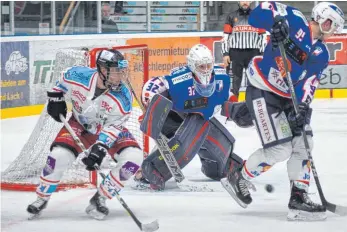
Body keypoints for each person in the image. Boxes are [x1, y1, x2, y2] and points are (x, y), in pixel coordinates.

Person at [221, 1, 345, 221]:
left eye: (335, 26)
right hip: (261, 88)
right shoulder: (294, 18)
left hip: (287, 97)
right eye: (329, 23)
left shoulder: (321, 53)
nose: (331, 29)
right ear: (318, 16)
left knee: (304, 141)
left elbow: (309, 83)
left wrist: (303, 107)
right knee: (280, 150)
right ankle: (237, 176)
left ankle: (299, 197)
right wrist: (276, 23)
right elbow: (259, 12)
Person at [26, 49, 143, 220]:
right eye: (117, 71)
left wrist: (100, 148)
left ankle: (100, 198)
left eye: (122, 70)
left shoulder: (124, 96)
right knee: (58, 156)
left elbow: (114, 126)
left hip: (107, 129)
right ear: (103, 70)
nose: (121, 75)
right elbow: (60, 82)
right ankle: (42, 198)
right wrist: (56, 98)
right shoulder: (78, 75)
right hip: (79, 125)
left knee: (134, 158)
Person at [133, 44, 250, 191]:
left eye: (209, 65)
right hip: (173, 118)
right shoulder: (180, 80)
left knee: (207, 129)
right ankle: (150, 170)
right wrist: (151, 103)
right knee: (188, 132)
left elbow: (224, 100)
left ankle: (223, 166)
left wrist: (237, 111)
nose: (206, 70)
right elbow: (155, 84)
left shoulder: (221, 77)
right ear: (192, 66)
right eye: (202, 66)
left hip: (199, 119)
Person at [222, 1, 266, 100]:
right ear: (238, 1)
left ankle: (253, 106)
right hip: (235, 53)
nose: (245, 2)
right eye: (242, 0)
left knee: (255, 81)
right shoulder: (231, 16)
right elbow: (225, 36)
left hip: (254, 53)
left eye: (247, 0)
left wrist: (262, 54)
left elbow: (263, 37)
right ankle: (232, 108)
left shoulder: (258, 16)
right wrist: (225, 53)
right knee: (234, 83)